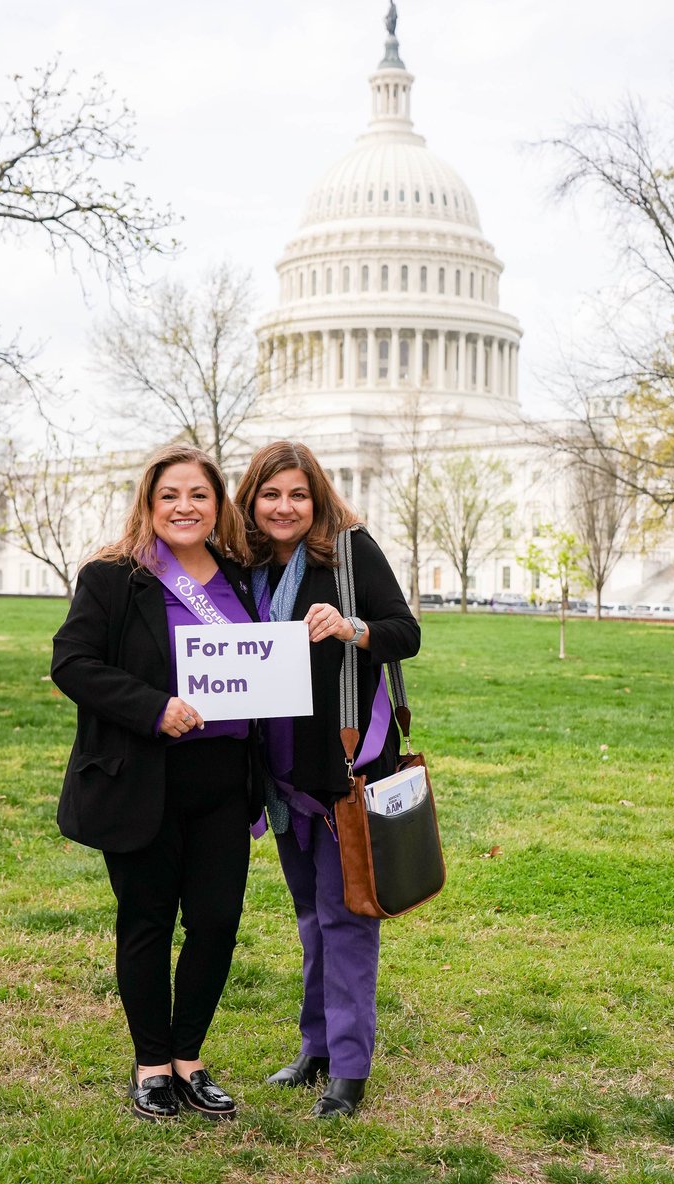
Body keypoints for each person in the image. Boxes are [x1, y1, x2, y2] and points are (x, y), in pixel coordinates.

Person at [51, 443, 262, 1123]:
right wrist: (153, 707)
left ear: (217, 503)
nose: (184, 507)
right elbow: (72, 663)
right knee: (146, 922)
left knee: (216, 923)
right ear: (149, 503)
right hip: (142, 777)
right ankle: (151, 1064)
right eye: (170, 495)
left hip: (224, 781)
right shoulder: (113, 577)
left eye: (199, 495)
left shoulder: (242, 577)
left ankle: (189, 1057)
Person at [235, 441, 420, 1118]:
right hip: (281, 774)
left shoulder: (348, 552)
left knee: (346, 918)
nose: (284, 508)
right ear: (251, 500)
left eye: (298, 494)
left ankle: (348, 1067)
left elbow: (406, 632)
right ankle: (315, 1048)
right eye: (271, 494)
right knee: (310, 916)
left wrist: (352, 628)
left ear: (317, 499)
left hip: (345, 768)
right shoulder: (246, 567)